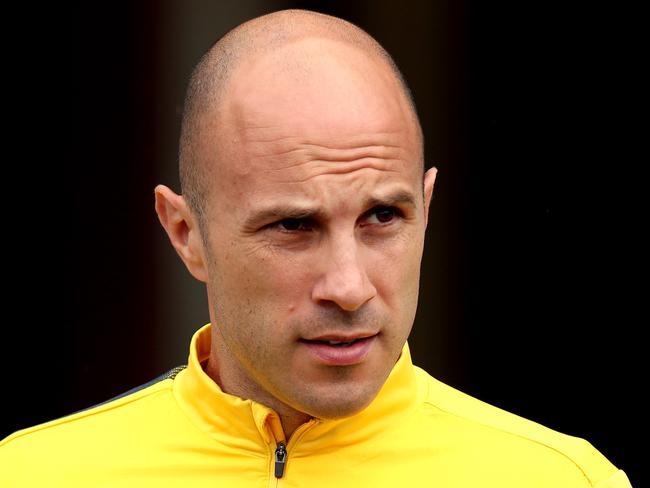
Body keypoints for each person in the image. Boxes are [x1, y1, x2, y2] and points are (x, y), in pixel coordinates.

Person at [0, 9, 631, 487]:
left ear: (427, 209)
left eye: (383, 215)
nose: (350, 287)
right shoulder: (33, 474)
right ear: (186, 235)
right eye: (293, 227)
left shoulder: (560, 479)